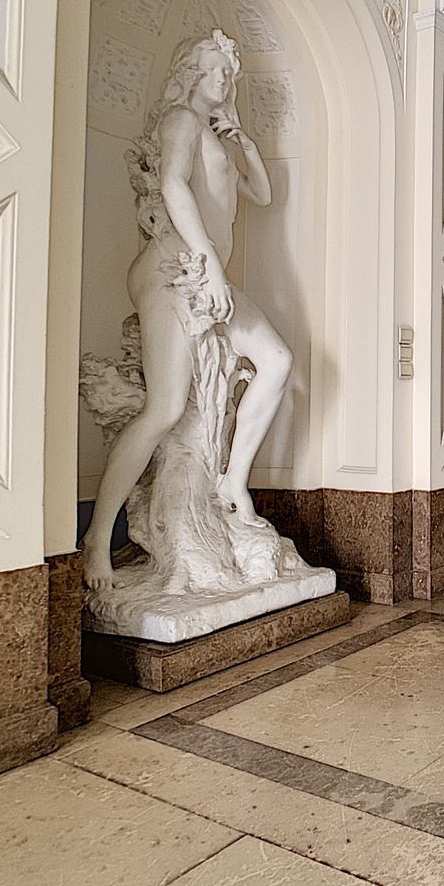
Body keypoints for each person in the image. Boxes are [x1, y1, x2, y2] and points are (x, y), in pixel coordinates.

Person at [81, 30, 291, 590]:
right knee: (165, 408)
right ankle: (98, 537)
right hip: (174, 266)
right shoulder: (180, 119)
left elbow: (263, 195)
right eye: (215, 68)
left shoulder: (216, 135)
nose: (224, 79)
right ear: (191, 73)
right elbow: (174, 184)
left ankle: (232, 482)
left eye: (229, 72)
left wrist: (245, 143)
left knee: (276, 360)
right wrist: (211, 264)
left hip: (205, 271)